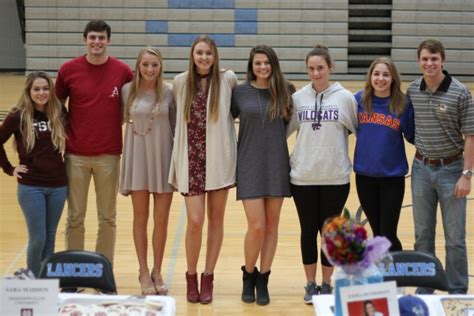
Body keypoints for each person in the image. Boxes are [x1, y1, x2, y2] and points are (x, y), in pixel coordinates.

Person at [55, 20, 133, 267]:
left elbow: (129, 106)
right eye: (92, 38)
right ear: (84, 40)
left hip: (109, 154)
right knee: (75, 217)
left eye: (101, 38)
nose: (97, 42)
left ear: (109, 41)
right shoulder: (68, 70)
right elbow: (55, 108)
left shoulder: (122, 71)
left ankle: (101, 269)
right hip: (75, 155)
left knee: (107, 218)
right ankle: (73, 270)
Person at [168, 35, 238, 304]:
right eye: (199, 53)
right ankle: (190, 275)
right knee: (195, 221)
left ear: (215, 55)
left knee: (216, 221)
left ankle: (208, 276)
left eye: (208, 53)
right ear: (192, 55)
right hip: (191, 160)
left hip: (218, 160)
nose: (204, 58)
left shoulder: (227, 79)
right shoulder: (180, 82)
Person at [287, 45, 358, 304]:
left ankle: (327, 284)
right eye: (311, 69)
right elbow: (282, 132)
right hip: (303, 177)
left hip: (335, 178)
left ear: (330, 68)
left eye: (320, 68)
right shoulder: (298, 99)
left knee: (330, 233)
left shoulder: (345, 98)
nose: (316, 73)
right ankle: (310, 283)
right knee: (308, 231)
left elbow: (361, 133)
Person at [407, 39, 473, 294]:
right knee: (422, 235)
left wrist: (466, 175)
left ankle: (457, 290)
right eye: (425, 59)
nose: (429, 63)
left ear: (442, 61)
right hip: (421, 168)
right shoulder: (413, 89)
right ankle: (426, 287)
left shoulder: (460, 92)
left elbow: (470, 137)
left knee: (455, 238)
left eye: (434, 59)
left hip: (452, 170)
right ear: (419, 61)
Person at [231, 45, 294, 305]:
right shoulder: (239, 93)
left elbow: (293, 124)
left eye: (267, 63)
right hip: (248, 164)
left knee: (271, 225)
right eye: (258, 63)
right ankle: (248, 275)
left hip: (277, 163)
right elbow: (222, 124)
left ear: (273, 64)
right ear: (251, 66)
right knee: (256, 226)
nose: (262, 67)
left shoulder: (287, 91)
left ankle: (264, 278)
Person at [0, 71, 67, 277]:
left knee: (50, 237)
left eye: (45, 88)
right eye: (36, 89)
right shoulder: (18, 114)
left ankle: (46, 282)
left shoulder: (58, 112)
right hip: (31, 186)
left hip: (58, 185)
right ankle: (33, 282)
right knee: (37, 237)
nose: (41, 93)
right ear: (29, 91)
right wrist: (10, 169)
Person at [120, 47, 175, 295]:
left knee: (161, 220)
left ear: (160, 66)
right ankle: (142, 271)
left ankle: (157, 269)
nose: (150, 69)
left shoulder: (170, 92)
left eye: (154, 64)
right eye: (145, 64)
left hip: (163, 158)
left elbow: (176, 127)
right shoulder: (126, 91)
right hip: (138, 158)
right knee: (140, 218)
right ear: (138, 66)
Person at [353, 57, 415, 251]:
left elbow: (413, 135)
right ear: (370, 76)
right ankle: (384, 277)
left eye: (386, 74)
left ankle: (397, 274)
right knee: (378, 232)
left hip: (392, 178)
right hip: (365, 177)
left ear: (393, 78)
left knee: (388, 232)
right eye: (376, 74)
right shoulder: (358, 101)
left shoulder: (402, 104)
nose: (380, 78)